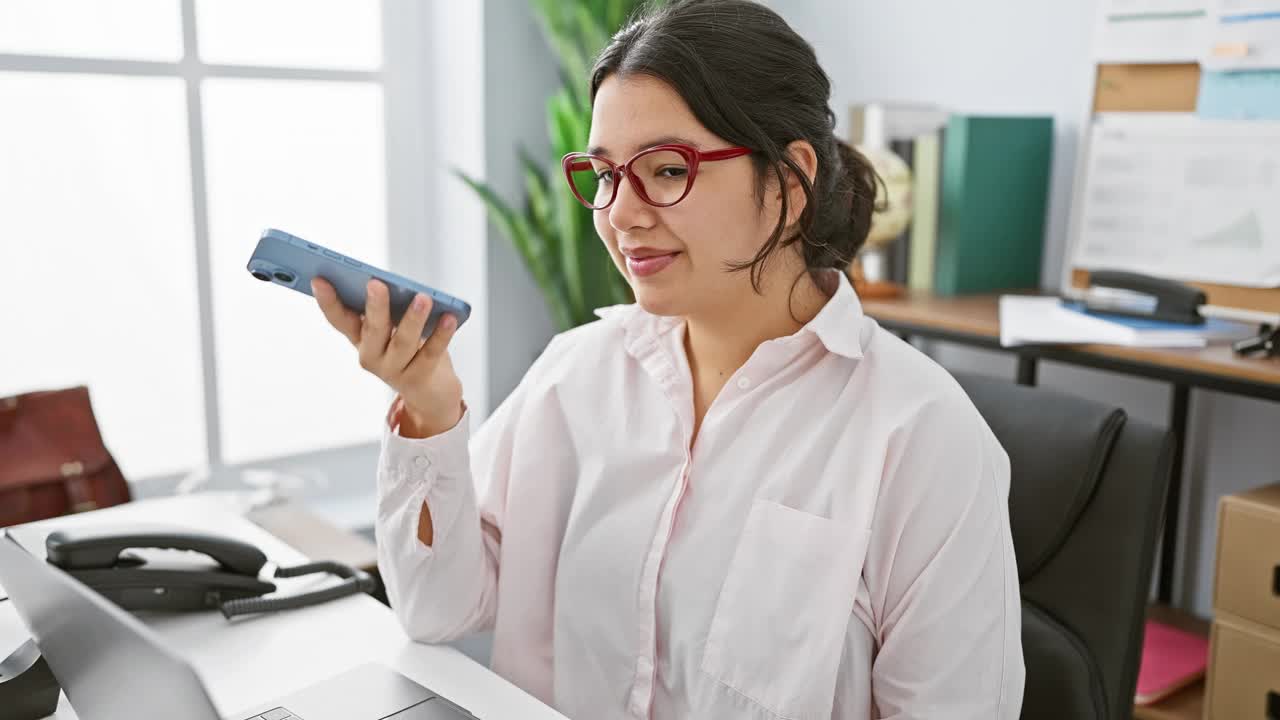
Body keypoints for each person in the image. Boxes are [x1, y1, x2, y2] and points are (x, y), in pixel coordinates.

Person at [311, 1, 1024, 717]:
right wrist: (432, 407)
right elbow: (437, 609)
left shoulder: (923, 438)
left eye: (667, 169)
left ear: (788, 180)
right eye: (604, 174)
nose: (620, 213)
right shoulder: (576, 374)